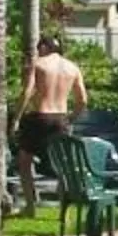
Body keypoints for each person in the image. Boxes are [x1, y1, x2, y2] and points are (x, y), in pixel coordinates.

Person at [13, 37, 88, 198]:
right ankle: (63, 206)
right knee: (63, 164)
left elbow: (26, 92)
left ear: (45, 48)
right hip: (61, 118)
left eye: (39, 48)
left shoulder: (38, 65)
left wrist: (17, 119)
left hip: (38, 117)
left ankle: (30, 205)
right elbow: (83, 100)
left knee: (24, 161)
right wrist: (71, 118)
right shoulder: (73, 68)